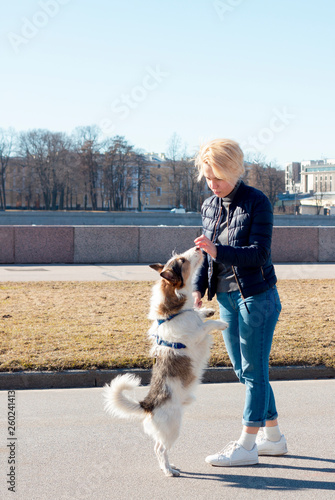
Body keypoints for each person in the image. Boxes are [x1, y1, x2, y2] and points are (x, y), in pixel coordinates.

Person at [193, 138, 287, 467]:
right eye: (207, 177)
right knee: (243, 370)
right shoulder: (209, 205)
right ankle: (272, 437)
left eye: (218, 177)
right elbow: (206, 254)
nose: (213, 184)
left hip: (256, 297)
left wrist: (219, 251)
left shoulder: (257, 202)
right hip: (227, 298)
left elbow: (259, 253)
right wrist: (198, 288)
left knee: (254, 371)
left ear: (234, 170)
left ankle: (247, 445)